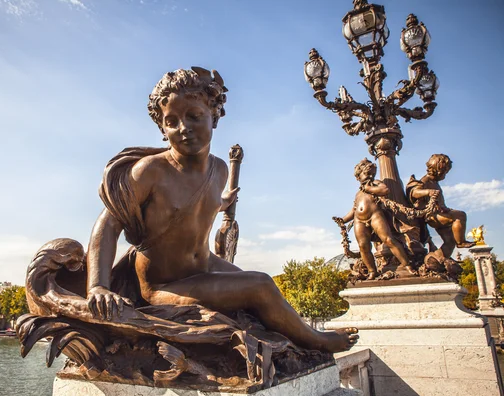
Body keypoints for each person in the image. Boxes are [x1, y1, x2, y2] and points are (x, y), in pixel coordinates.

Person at [84, 67, 357, 353]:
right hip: (164, 283)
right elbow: (107, 225)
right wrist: (97, 287)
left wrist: (222, 203)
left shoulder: (220, 169)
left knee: (259, 294)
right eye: (171, 121)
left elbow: (196, 211)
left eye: (194, 116)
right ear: (162, 129)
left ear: (214, 116)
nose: (183, 127)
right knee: (260, 286)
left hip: (205, 266)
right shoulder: (150, 171)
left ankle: (294, 339)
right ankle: (317, 341)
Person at [336, 159, 413, 279]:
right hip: (359, 220)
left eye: (372, 174)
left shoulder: (375, 183)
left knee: (388, 239)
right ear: (358, 177)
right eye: (367, 174)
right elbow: (354, 210)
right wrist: (343, 220)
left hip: (375, 216)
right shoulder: (358, 194)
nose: (370, 176)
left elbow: (385, 190)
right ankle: (372, 271)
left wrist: (369, 188)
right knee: (363, 246)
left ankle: (407, 265)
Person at [407, 154, 475, 261]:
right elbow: (414, 192)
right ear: (438, 171)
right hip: (433, 216)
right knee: (460, 216)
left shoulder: (434, 182)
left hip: (439, 213)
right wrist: (429, 192)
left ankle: (435, 259)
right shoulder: (425, 180)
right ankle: (461, 242)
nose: (445, 175)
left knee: (450, 241)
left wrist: (444, 207)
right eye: (445, 172)